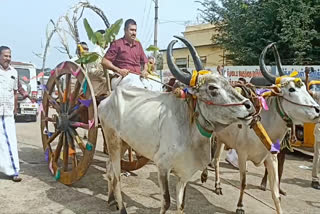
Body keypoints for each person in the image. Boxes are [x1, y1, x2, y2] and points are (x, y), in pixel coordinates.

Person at [101, 18, 149, 89]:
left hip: (138, 77)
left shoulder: (138, 45)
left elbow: (145, 62)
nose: (134, 33)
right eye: (131, 30)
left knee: (153, 86)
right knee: (135, 84)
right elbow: (104, 61)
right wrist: (119, 70)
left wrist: (145, 71)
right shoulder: (117, 44)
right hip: (120, 78)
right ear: (125, 30)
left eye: (135, 30)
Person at [0, 46, 22, 182]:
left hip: (7, 111)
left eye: (9, 56)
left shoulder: (14, 72)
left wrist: (15, 109)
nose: (8, 58)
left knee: (10, 141)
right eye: (5, 56)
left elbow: (15, 92)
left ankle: (14, 171)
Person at [305, 67, 320, 189]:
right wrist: (306, 76)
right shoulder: (319, 95)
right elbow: (306, 91)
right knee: (318, 154)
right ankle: (315, 179)